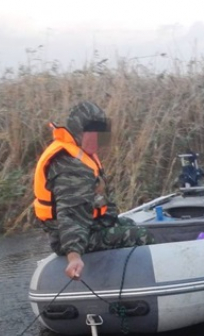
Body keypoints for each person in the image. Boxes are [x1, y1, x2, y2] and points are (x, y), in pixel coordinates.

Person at [32, 101, 153, 280]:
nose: (101, 139)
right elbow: (71, 215)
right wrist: (74, 255)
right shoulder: (71, 166)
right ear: (80, 132)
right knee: (141, 236)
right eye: (95, 132)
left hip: (91, 225)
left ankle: (123, 274)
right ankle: (143, 280)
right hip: (73, 237)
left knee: (128, 224)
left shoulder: (80, 153)